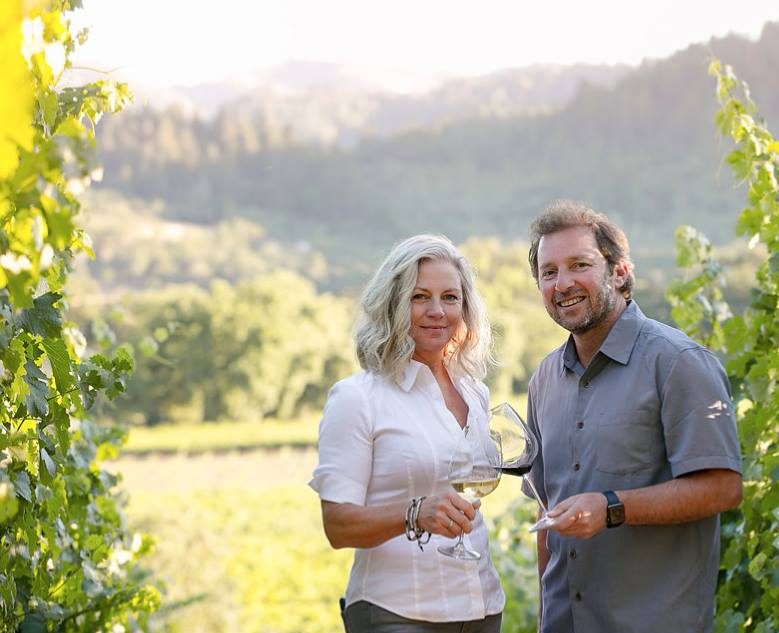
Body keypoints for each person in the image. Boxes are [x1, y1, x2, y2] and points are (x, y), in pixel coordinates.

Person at [524, 199, 743, 633]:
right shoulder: (543, 380)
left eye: (578, 265)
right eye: (548, 272)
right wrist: (545, 616)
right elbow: (546, 516)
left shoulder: (679, 363)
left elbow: (723, 488)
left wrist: (611, 507)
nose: (562, 283)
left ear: (620, 272)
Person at [309, 234, 505, 633]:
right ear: (393, 304)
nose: (437, 311)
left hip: (482, 607)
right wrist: (415, 513)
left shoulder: (475, 392)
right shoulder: (356, 398)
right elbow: (338, 526)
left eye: (450, 297)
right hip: (397, 613)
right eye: (420, 297)